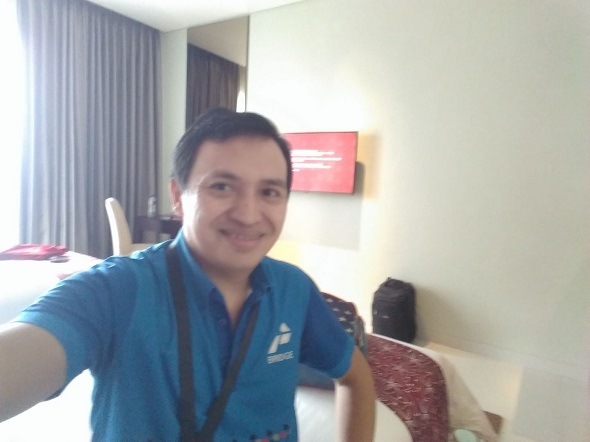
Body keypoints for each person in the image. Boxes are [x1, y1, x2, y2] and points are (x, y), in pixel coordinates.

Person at [0, 108, 376, 441]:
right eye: (222, 187)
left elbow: (355, 378)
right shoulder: (117, 289)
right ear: (179, 197)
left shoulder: (294, 289)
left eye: (269, 192)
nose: (248, 214)